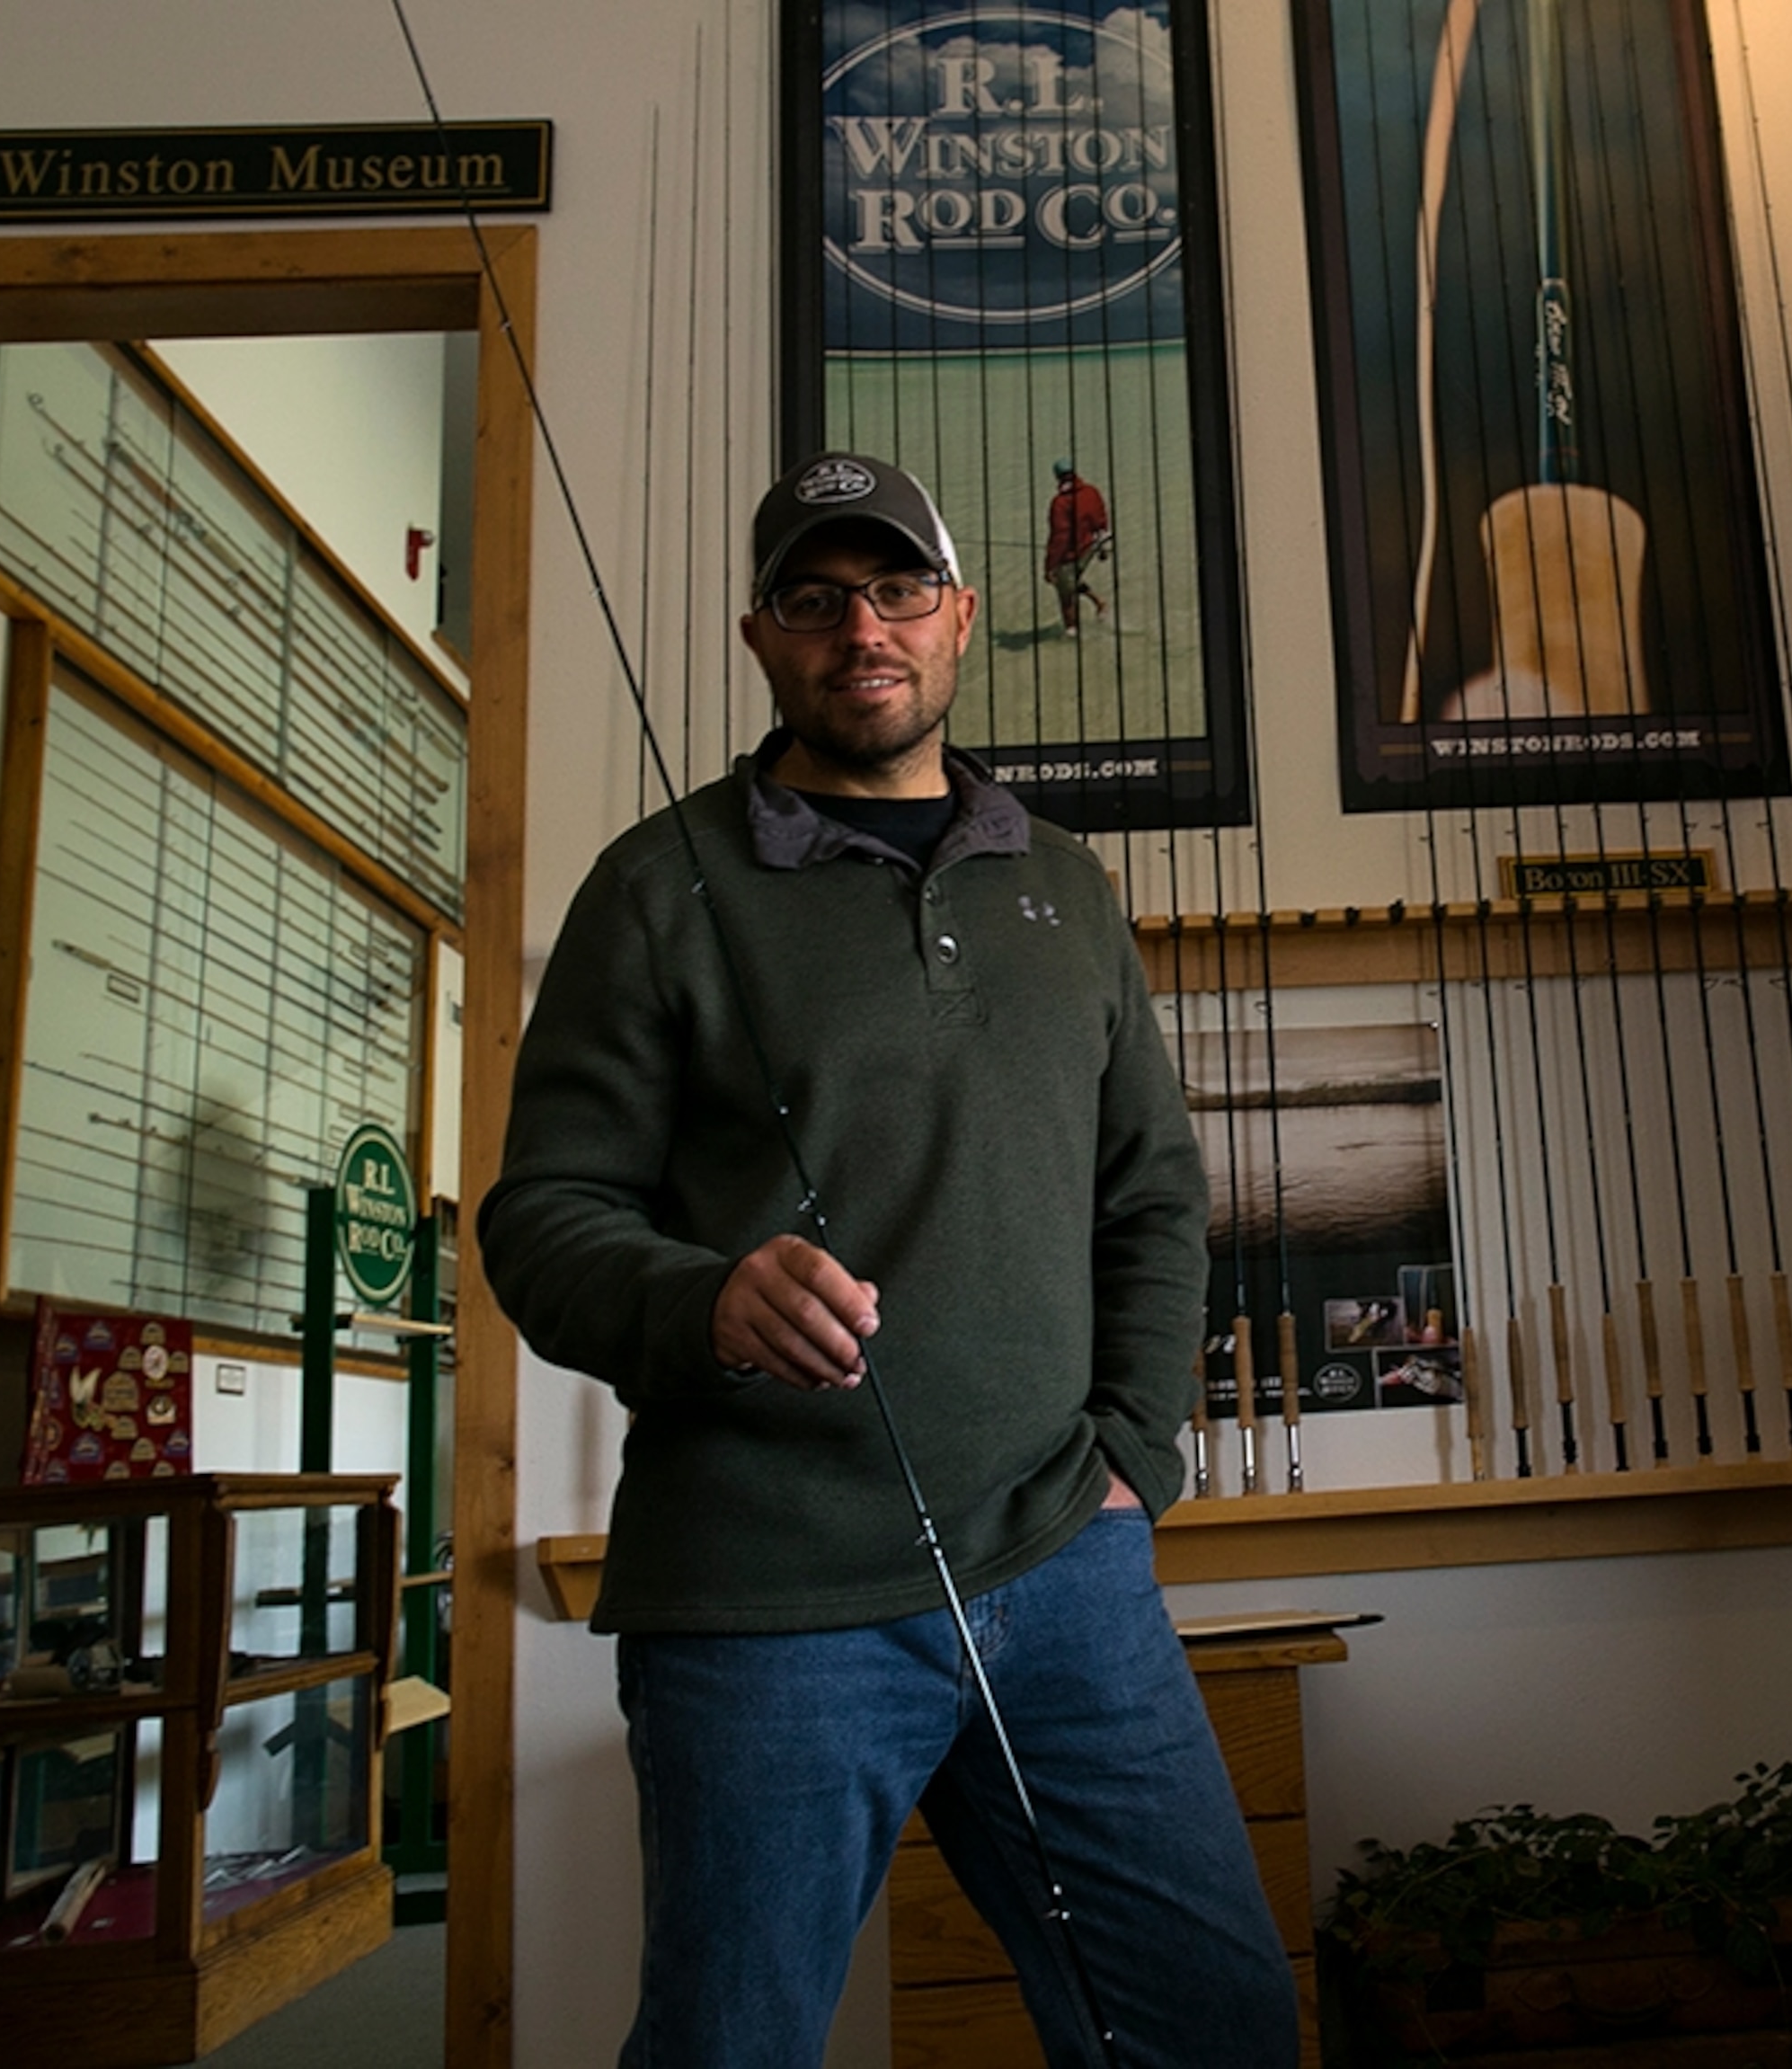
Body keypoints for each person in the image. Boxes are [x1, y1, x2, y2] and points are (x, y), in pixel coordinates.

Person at [478, 451, 1299, 2069]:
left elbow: (1152, 1190)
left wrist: (1135, 1449)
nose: (861, 626)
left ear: (960, 616)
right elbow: (541, 1215)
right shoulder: (651, 888)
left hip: (1067, 1568)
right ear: (759, 634)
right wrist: (702, 1297)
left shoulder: (1061, 884)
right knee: (735, 2045)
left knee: (1214, 2025)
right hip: (763, 1603)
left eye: (896, 588)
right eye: (814, 595)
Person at [1043, 456, 1111, 635]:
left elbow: (1060, 537)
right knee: (1071, 580)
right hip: (1091, 547)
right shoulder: (1092, 492)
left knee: (1064, 593)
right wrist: (1103, 549)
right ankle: (1099, 602)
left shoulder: (1060, 503)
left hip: (1071, 552)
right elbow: (1101, 520)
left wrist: (1050, 566)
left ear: (1057, 477)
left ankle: (1071, 633)